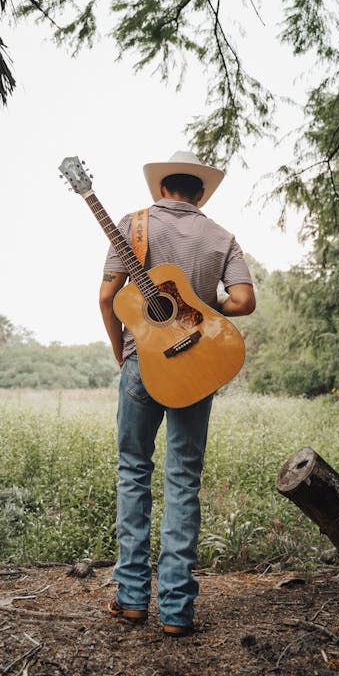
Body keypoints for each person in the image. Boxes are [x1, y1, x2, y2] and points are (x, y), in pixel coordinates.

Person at [99, 150, 256, 636]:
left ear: (163, 187)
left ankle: (130, 600)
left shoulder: (134, 222)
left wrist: (119, 350)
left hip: (142, 364)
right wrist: (204, 307)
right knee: (184, 478)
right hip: (196, 366)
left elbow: (107, 297)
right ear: (199, 192)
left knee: (133, 471)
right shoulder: (221, 236)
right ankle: (176, 610)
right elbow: (244, 300)